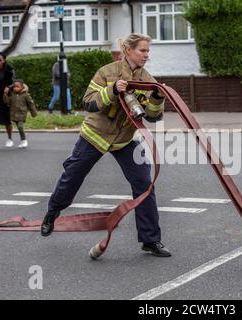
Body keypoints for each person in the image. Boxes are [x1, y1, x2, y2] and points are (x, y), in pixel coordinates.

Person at [41, 33, 170, 257]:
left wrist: (158, 96)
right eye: (142, 50)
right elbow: (88, 102)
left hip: (125, 140)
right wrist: (112, 91)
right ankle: (52, 212)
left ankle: (150, 240)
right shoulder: (107, 72)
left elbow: (152, 117)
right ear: (128, 50)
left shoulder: (148, 79)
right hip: (95, 135)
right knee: (72, 176)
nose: (146, 55)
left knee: (144, 184)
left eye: (148, 51)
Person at [3, 80, 38, 148]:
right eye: (14, 86)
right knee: (17, 127)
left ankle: (24, 140)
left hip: (22, 114)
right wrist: (5, 94)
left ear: (22, 87)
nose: (15, 88)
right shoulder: (12, 94)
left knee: (20, 126)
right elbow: (7, 102)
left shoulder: (26, 95)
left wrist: (33, 113)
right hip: (13, 114)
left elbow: (30, 104)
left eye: (17, 87)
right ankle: (17, 140)